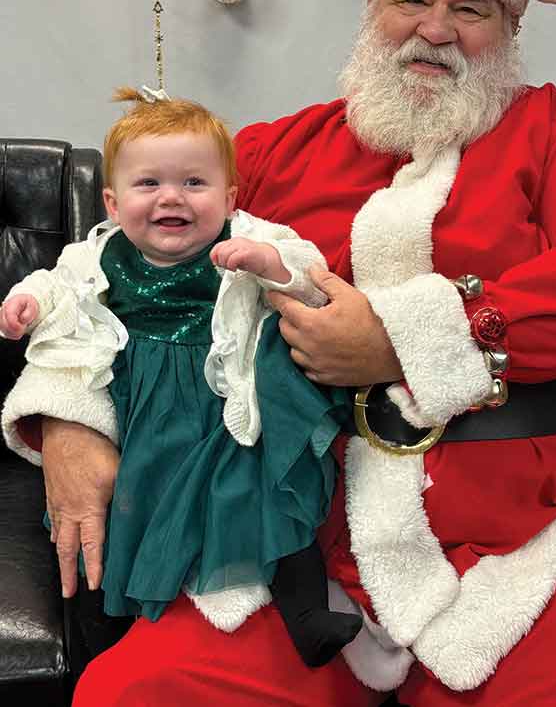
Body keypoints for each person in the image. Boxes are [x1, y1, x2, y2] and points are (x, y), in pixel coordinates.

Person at [3, 0, 556, 706]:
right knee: (138, 694)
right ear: (370, 3)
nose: (434, 29)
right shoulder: (273, 152)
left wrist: (398, 339)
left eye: (471, 8)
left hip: (531, 534)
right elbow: (114, 273)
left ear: (511, 28)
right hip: (301, 542)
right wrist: (69, 418)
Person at [0, 87, 362, 669]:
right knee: (127, 505)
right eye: (149, 185)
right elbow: (53, 285)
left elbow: (312, 280)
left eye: (195, 183)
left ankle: (306, 614)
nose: (173, 197)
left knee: (265, 492)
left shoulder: (249, 239)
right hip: (141, 406)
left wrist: (270, 267)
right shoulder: (97, 254)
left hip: (224, 402)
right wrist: (26, 303)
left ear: (229, 197)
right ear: (113, 204)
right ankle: (119, 625)